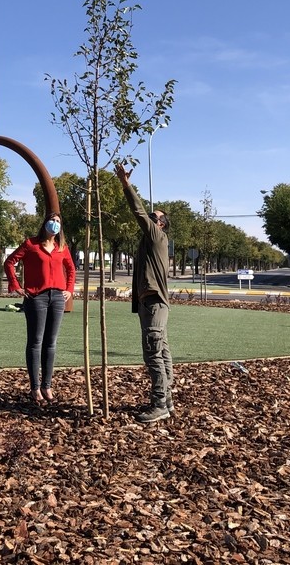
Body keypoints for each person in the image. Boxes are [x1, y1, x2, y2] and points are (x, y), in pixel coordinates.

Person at [115, 163, 174, 423]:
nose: (149, 218)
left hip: (153, 305)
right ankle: (167, 400)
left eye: (154, 217)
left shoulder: (156, 237)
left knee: (153, 353)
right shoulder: (149, 243)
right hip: (151, 304)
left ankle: (159, 403)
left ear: (160, 225)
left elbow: (137, 211)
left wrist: (126, 185)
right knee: (162, 352)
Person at [4, 212, 76, 404]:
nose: (55, 224)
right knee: (36, 341)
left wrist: (69, 289)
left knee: (51, 343)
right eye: (52, 220)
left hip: (58, 297)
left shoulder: (62, 247)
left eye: (58, 222)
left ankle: (47, 385)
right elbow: (9, 262)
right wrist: (16, 285)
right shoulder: (31, 244)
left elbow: (71, 269)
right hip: (37, 297)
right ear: (44, 223)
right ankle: (34, 387)